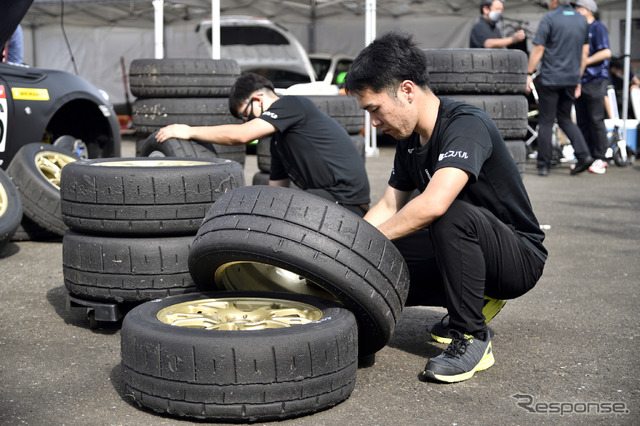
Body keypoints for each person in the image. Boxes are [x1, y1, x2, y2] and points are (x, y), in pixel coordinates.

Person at [344, 32, 547, 383]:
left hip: (517, 257)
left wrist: (365, 246)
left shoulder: (466, 125)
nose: (374, 123)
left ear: (407, 90)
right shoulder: (409, 143)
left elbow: (435, 204)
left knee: (443, 211)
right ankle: (462, 298)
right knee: (378, 249)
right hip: (464, 248)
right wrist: (347, 253)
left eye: (375, 110)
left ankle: (471, 337)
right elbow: (389, 204)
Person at [155, 72, 371, 216]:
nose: (248, 121)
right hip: (327, 198)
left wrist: (189, 131)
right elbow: (276, 194)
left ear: (258, 100)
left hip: (345, 201)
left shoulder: (292, 103)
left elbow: (241, 135)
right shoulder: (278, 142)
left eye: (246, 115)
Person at [526, 0, 592, 176]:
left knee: (546, 120)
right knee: (565, 119)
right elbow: (584, 52)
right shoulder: (581, 20)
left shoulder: (549, 18)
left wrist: (528, 72)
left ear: (555, 1)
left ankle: (543, 165)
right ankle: (584, 155)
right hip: (571, 78)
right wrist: (578, 77)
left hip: (551, 78)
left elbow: (539, 47)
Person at [573, 0, 611, 175]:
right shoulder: (579, 29)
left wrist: (585, 61)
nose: (575, 11)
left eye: (578, 8)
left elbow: (606, 52)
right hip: (580, 80)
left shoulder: (598, 27)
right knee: (582, 120)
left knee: (596, 119)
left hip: (595, 79)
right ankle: (585, 156)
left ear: (587, 10)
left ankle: (601, 158)